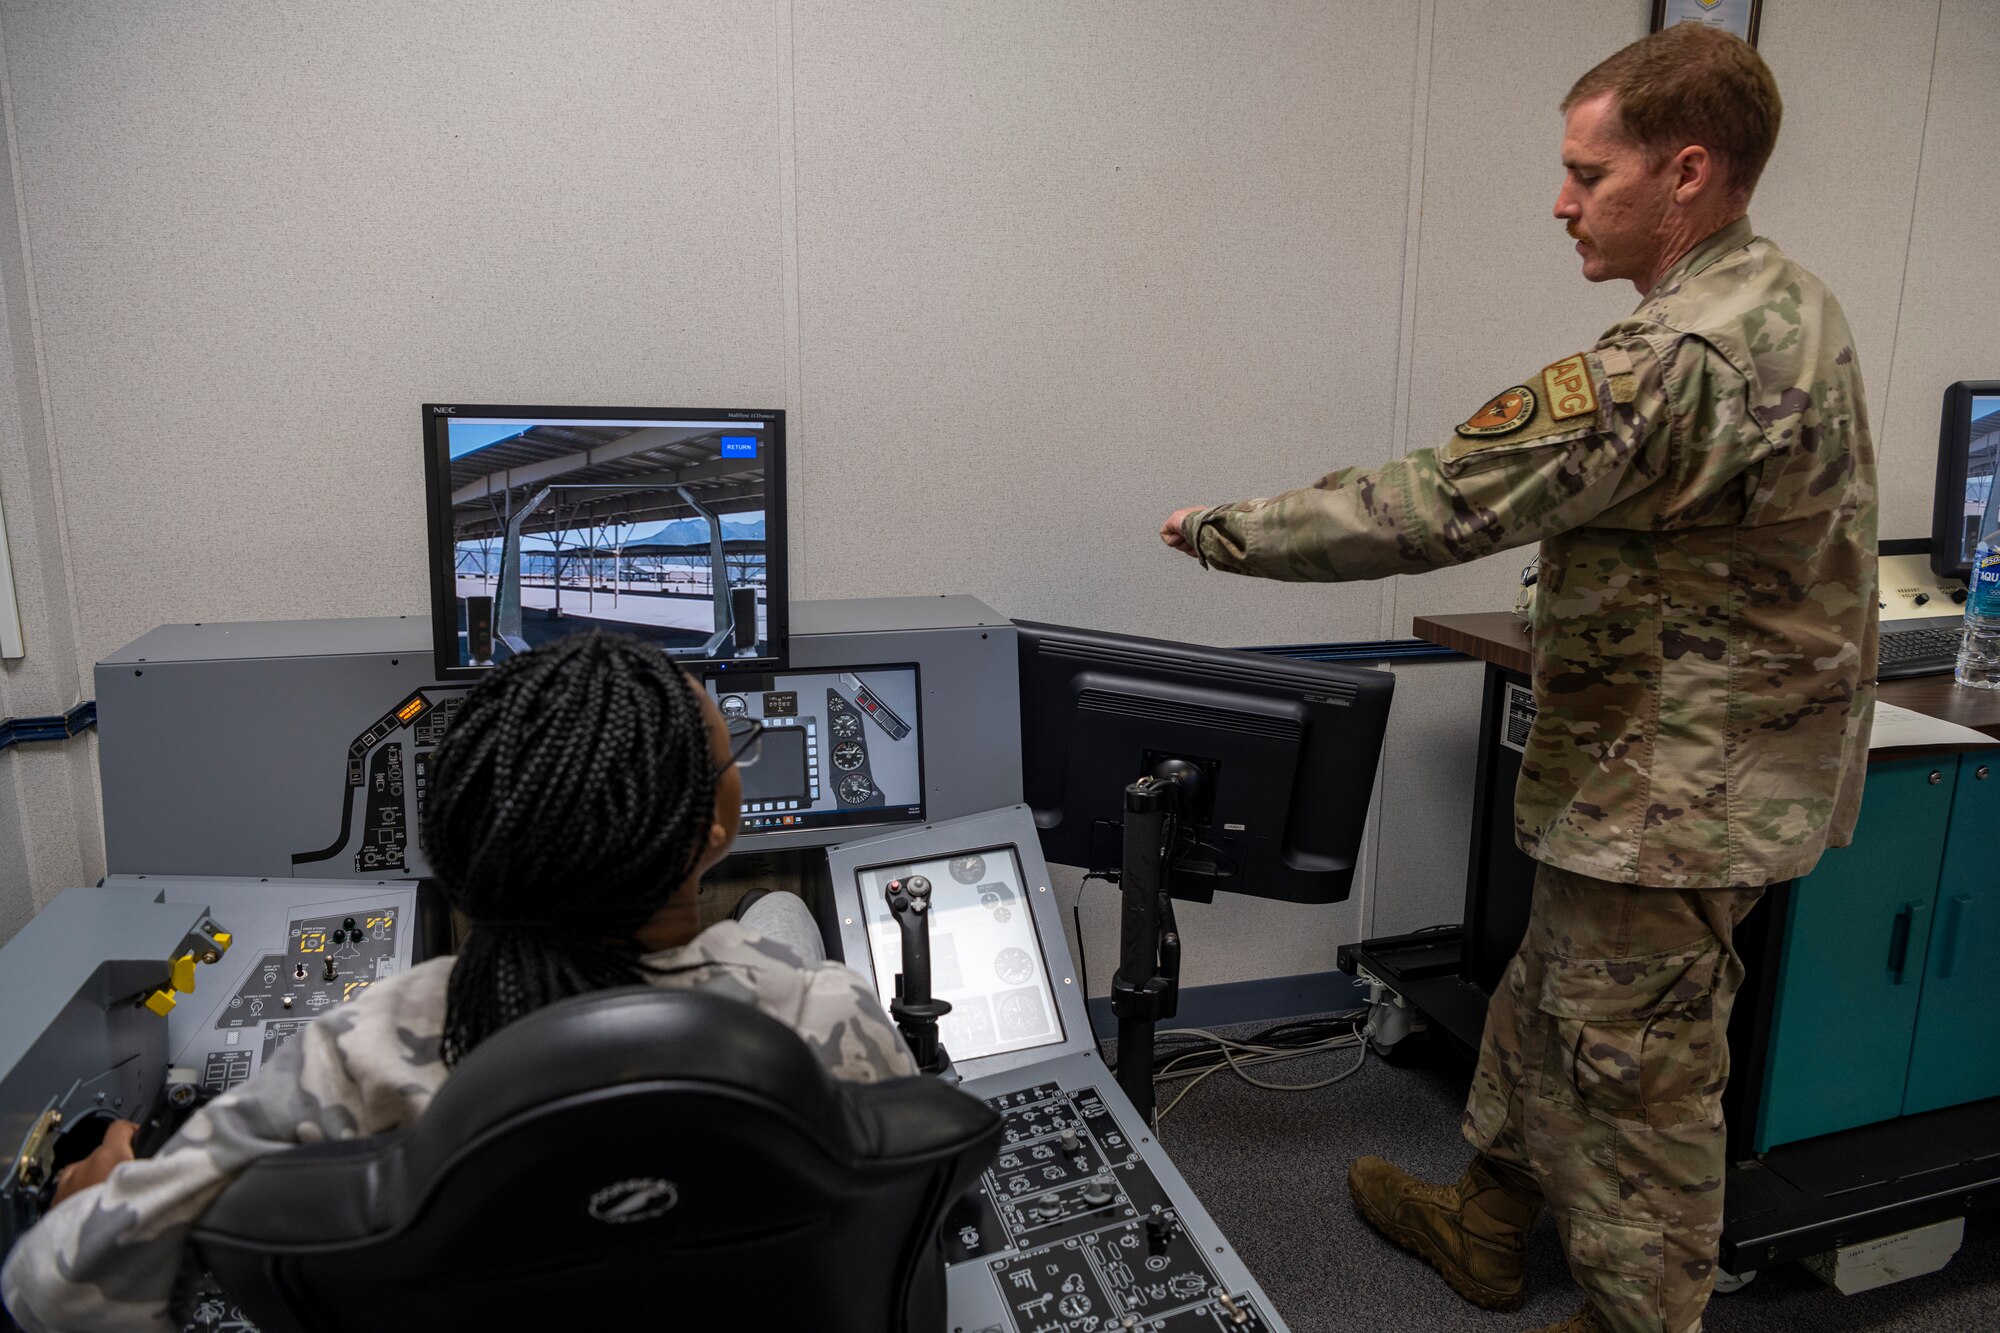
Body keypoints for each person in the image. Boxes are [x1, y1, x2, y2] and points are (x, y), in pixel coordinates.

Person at [1161, 24, 1875, 1333]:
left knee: (1638, 1080)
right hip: (1707, 770)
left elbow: (1439, 500)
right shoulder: (1792, 301)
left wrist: (1231, 527)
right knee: (1549, 1008)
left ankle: (1640, 1314)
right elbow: (1701, 536)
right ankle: (1489, 1224)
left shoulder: (1672, 358)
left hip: (1673, 799)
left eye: (1587, 174)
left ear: (1688, 174)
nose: (1561, 202)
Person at [2, 631, 917, 1333]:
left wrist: (111, 1188)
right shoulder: (825, 1016)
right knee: (781, 923)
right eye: (732, 755)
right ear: (718, 828)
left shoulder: (358, 1053)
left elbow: (46, 1289)